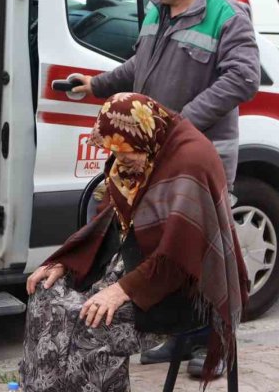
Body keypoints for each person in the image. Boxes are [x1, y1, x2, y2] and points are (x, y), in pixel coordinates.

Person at [73, 0, 259, 369]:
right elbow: (141, 64)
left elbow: (244, 78)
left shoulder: (227, 16)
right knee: (158, 248)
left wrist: (179, 125)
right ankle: (178, 333)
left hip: (196, 159)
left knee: (193, 248)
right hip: (148, 157)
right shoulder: (159, 10)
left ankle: (207, 341)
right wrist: (97, 85)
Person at [20, 93, 249, 392]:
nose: (120, 162)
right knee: (45, 298)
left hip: (184, 290)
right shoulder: (146, 142)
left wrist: (121, 290)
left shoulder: (190, 163)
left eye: (126, 155)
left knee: (92, 323)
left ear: (143, 135)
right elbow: (110, 219)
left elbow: (178, 258)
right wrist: (66, 261)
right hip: (136, 264)